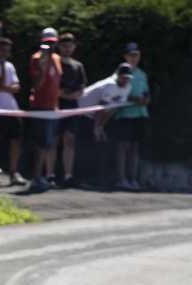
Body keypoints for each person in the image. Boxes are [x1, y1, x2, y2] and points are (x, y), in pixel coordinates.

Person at [0, 37, 25, 186]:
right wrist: (5, 86)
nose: (5, 53)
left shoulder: (10, 66)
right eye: (2, 50)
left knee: (16, 140)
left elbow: (16, 87)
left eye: (8, 51)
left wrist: (5, 87)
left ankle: (14, 173)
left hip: (11, 109)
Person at [112, 42, 151, 190]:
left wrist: (145, 100)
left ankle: (133, 179)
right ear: (125, 57)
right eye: (131, 55)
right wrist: (134, 100)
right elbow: (116, 95)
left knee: (135, 147)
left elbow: (146, 92)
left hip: (140, 114)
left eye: (136, 55)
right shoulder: (119, 72)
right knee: (123, 147)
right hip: (124, 114)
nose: (134, 58)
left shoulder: (142, 74)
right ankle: (121, 179)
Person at [27, 29, 62, 193]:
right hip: (40, 107)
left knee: (49, 143)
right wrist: (42, 67)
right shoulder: (36, 59)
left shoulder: (57, 58)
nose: (50, 46)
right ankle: (36, 177)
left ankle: (46, 175)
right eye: (46, 43)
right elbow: (37, 85)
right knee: (40, 143)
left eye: (52, 43)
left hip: (52, 107)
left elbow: (56, 83)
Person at [55, 32, 88, 187]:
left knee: (69, 139)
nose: (67, 48)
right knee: (54, 139)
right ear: (59, 47)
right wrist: (62, 94)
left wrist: (73, 95)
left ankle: (68, 175)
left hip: (72, 106)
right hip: (55, 104)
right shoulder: (54, 63)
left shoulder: (78, 65)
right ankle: (50, 173)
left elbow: (82, 88)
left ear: (74, 47)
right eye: (64, 45)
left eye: (70, 45)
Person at [80, 64, 134, 146]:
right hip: (80, 110)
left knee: (95, 143)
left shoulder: (128, 87)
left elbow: (113, 109)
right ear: (118, 76)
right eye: (123, 77)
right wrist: (96, 128)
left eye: (128, 78)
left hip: (92, 115)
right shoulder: (110, 85)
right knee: (84, 143)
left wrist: (100, 126)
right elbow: (101, 108)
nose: (125, 80)